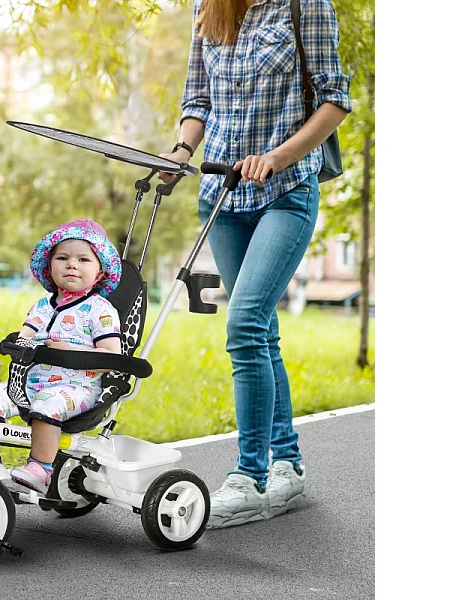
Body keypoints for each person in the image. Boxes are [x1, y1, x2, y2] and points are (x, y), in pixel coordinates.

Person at [159, 0, 351, 528]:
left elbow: (334, 100)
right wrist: (180, 151)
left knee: (244, 324)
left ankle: (249, 478)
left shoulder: (306, 5)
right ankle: (287, 464)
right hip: (222, 194)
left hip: (284, 191)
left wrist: (277, 157)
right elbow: (198, 99)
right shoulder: (208, 7)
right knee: (261, 331)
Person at [0, 219, 123, 494]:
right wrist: (10, 343)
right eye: (63, 258)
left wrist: (70, 351)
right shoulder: (42, 305)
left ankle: (41, 468)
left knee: (47, 402)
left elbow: (112, 356)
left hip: (77, 387)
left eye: (83, 259)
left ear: (99, 272)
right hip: (31, 382)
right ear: (50, 267)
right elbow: (25, 336)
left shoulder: (100, 310)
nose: (72, 265)